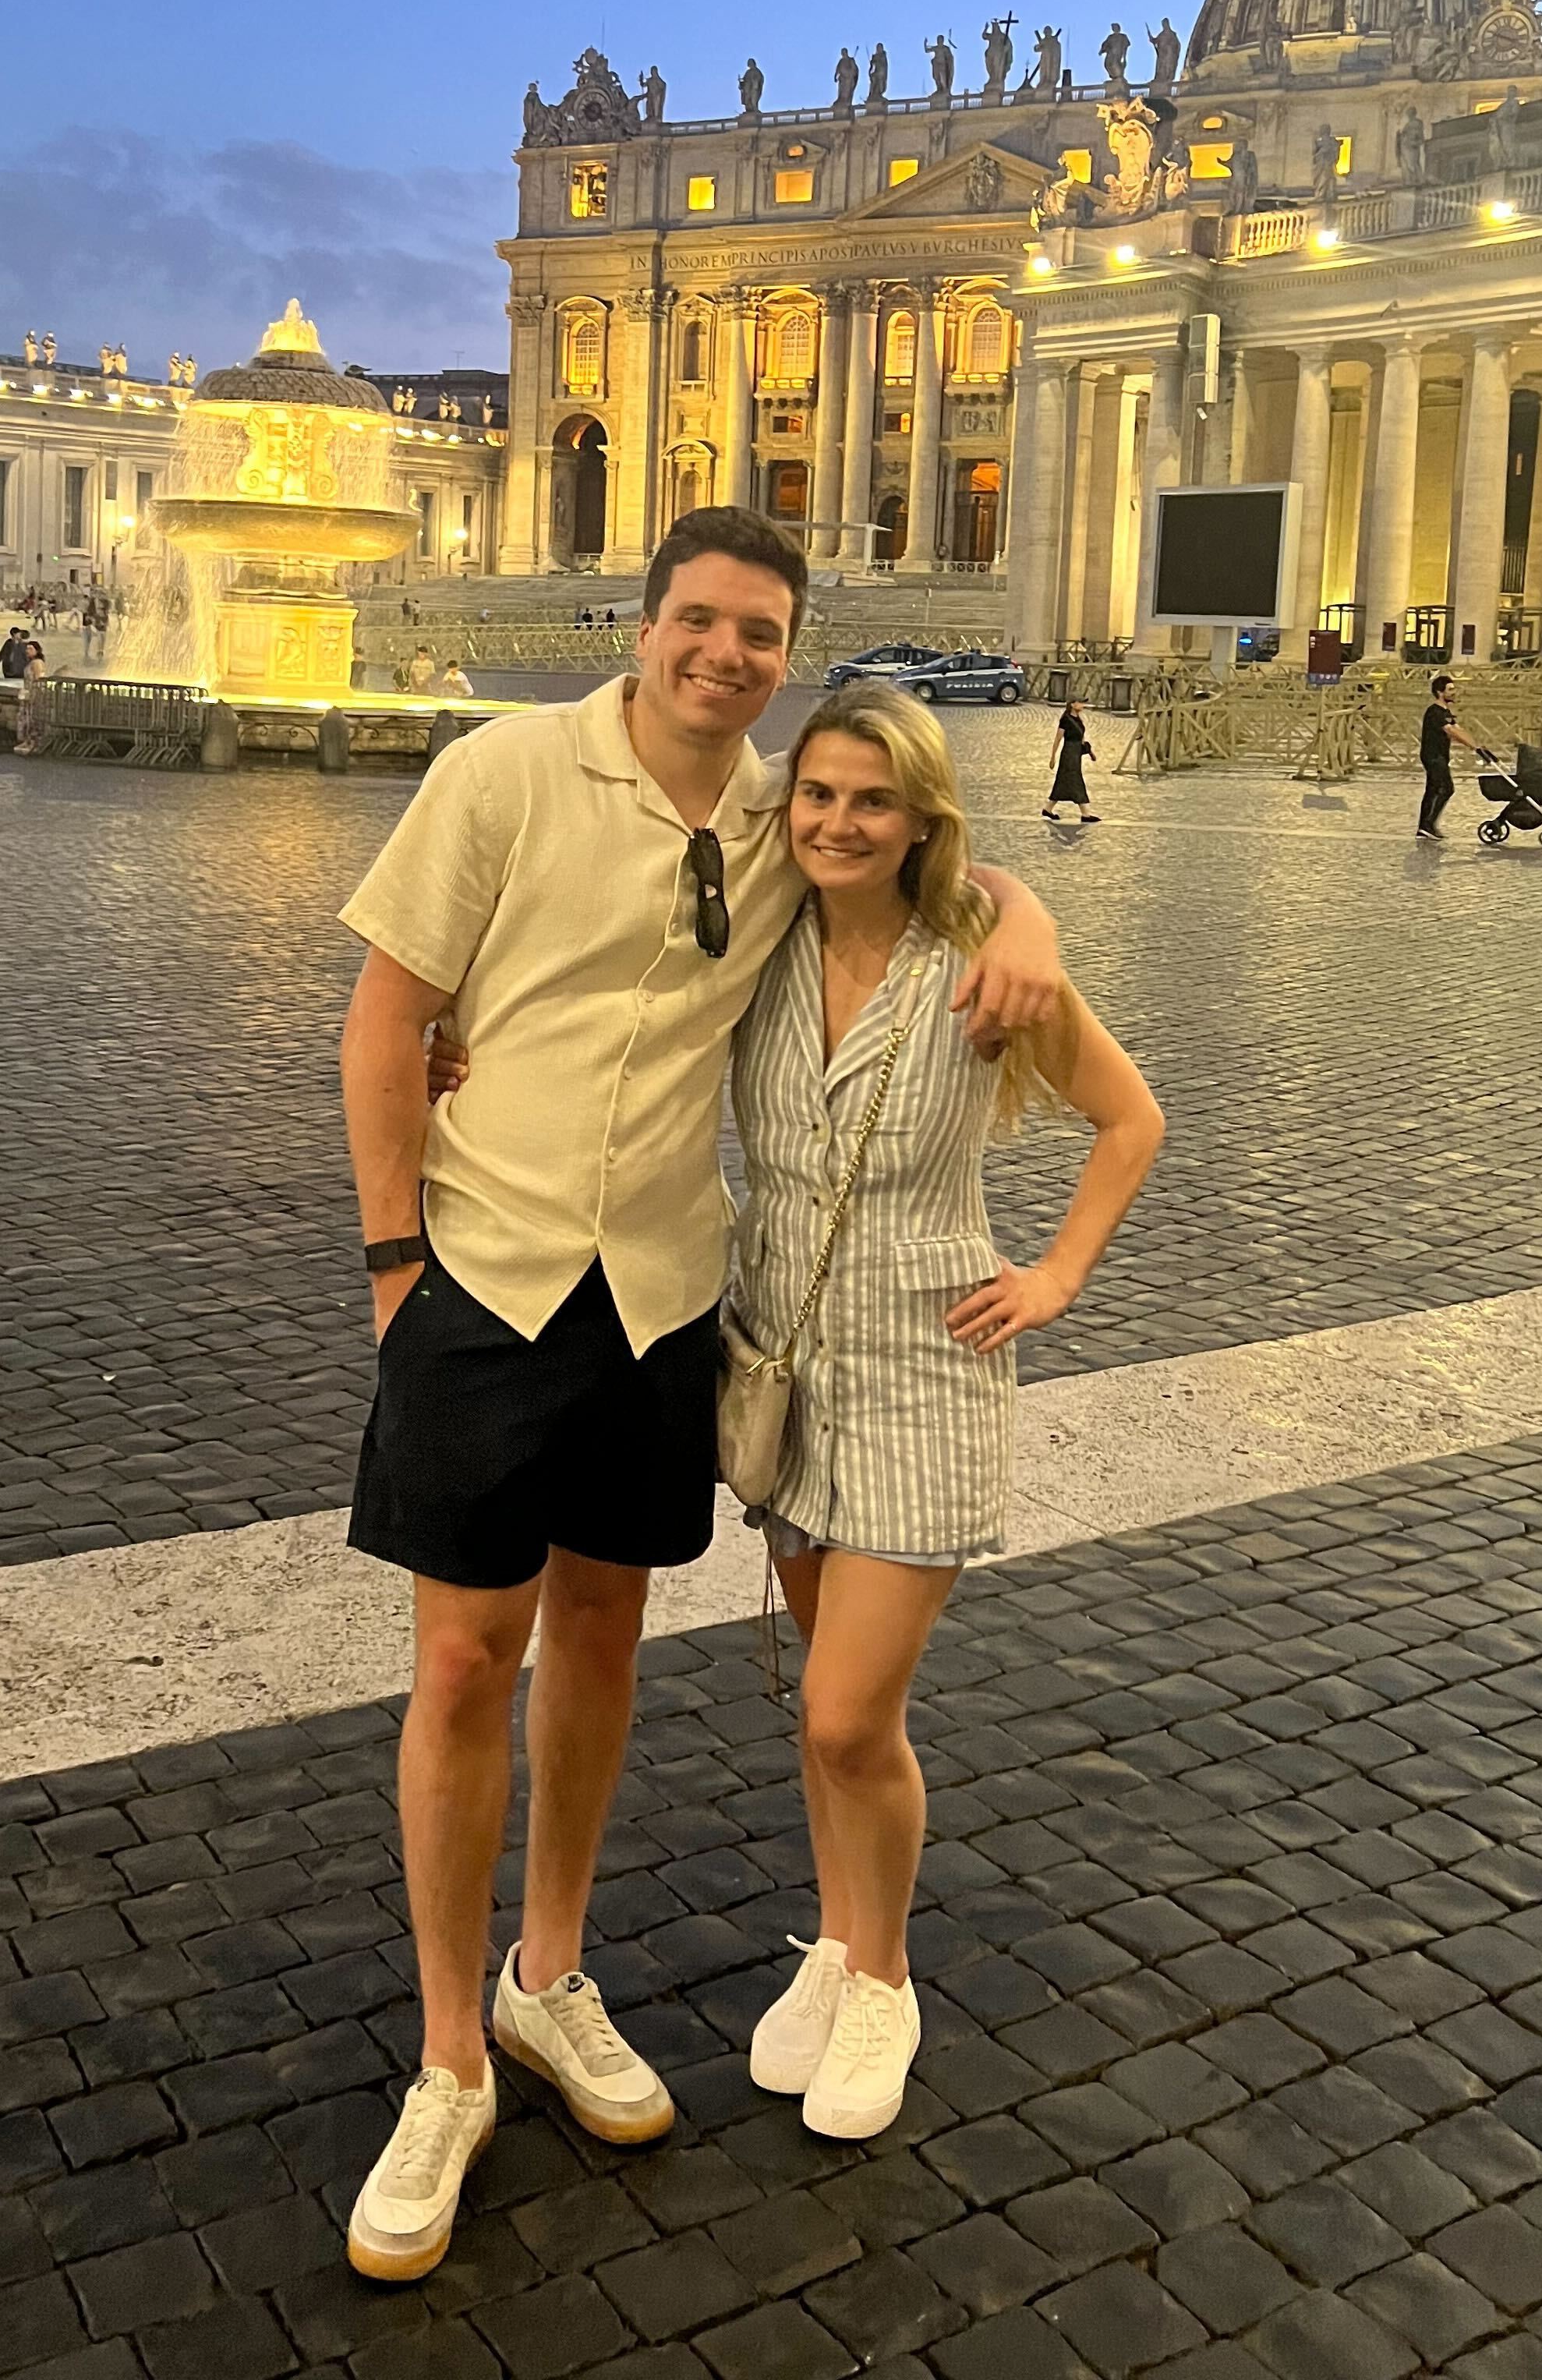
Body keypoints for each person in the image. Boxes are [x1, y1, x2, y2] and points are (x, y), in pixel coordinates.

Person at [333, 505, 1060, 2283]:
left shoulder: (776, 809)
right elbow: (381, 1020)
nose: (726, 655)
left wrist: (1027, 898)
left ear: (786, 655)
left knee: (600, 1641)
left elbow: (928, 861)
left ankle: (548, 1980)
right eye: (702, 622)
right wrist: (387, 1266)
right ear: (643, 621)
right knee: (455, 1665)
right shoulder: (504, 771)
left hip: (665, 1296)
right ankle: (444, 2058)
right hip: (485, 1272)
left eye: (761, 634)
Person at [735, 685, 1162, 2136]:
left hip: (926, 1361)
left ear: (918, 817)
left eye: (869, 800)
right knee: (814, 1706)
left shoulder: (981, 971)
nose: (836, 822)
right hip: (780, 1351)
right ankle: (836, 1939)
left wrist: (1052, 1275)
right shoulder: (756, 940)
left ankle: (889, 1976)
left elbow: (1130, 1118)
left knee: (853, 1711)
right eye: (817, 795)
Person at [1417, 670, 1483, 840]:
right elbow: (1452, 731)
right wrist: (1473, 747)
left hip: (1440, 756)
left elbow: (1459, 729)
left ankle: (1424, 828)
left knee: (1432, 790)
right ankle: (1428, 825)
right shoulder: (1435, 712)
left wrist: (1478, 747)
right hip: (1433, 756)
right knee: (1447, 788)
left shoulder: (1445, 712)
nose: (1454, 692)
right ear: (1440, 692)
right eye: (1450, 689)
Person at [1045, 700, 1098, 825]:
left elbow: (1082, 740)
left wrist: (1091, 753)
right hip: (1069, 754)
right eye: (1080, 703)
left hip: (1076, 754)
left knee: (1063, 781)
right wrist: (1053, 757)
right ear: (1073, 705)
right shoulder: (1066, 720)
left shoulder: (1079, 720)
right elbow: (1058, 739)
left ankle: (1048, 809)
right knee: (1075, 780)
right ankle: (1085, 814)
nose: (1083, 705)